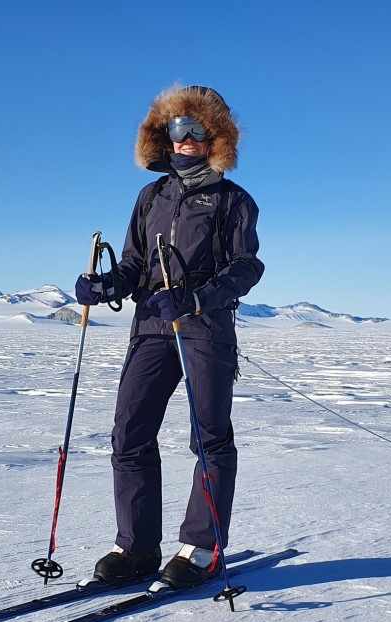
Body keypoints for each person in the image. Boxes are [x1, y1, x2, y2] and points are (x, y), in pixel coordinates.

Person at [74, 84, 264, 589]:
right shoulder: (151, 196)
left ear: (214, 138)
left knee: (209, 437)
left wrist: (197, 298)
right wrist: (107, 283)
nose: (182, 140)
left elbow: (247, 267)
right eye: (174, 130)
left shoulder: (232, 201)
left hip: (205, 331)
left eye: (194, 131)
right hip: (152, 328)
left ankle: (202, 548)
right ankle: (135, 547)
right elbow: (137, 264)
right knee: (130, 433)